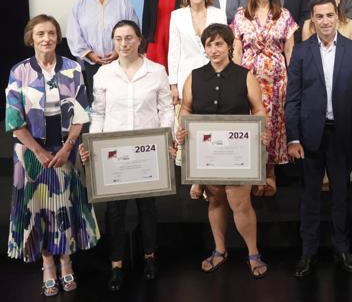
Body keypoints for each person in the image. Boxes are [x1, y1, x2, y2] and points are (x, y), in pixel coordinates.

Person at [6, 15, 99, 296]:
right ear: (31, 38)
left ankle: (66, 261)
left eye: (51, 33)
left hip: (64, 150)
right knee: (38, 210)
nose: (46, 38)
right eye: (40, 34)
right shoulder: (19, 71)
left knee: (64, 208)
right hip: (31, 155)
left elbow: (82, 113)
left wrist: (68, 147)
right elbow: (13, 119)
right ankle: (47, 264)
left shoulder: (73, 68)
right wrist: (39, 151)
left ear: (58, 37)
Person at [81, 20, 173, 291]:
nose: (124, 43)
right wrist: (93, 143)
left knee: (148, 208)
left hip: (148, 150)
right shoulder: (103, 74)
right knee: (116, 211)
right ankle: (116, 264)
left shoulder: (156, 71)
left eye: (129, 38)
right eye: (118, 38)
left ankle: (150, 257)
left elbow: (166, 109)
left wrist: (166, 139)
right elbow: (97, 113)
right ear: (113, 42)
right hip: (113, 153)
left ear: (139, 40)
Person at [174, 23, 270, 279]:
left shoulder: (244, 75)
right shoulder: (194, 76)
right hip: (207, 154)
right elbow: (186, 109)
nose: (214, 49)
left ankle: (253, 253)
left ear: (229, 46)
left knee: (240, 203)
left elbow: (258, 109)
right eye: (209, 44)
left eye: (219, 44)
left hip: (239, 153)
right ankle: (220, 250)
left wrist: (263, 129)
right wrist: (181, 128)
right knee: (215, 200)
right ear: (204, 48)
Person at [285, 0, 352, 277]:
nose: (324, 21)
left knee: (341, 197)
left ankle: (342, 249)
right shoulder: (300, 51)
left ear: (338, 16)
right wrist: (293, 138)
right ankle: (308, 253)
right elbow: (292, 99)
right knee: (309, 198)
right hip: (309, 138)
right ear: (312, 19)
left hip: (342, 135)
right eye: (318, 16)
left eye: (329, 15)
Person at [232, 0, 297, 196]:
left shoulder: (284, 14)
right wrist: (234, 76)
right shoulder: (242, 15)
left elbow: (289, 49)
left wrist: (293, 76)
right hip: (249, 77)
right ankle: (254, 172)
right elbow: (237, 48)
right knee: (252, 123)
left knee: (274, 123)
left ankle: (270, 173)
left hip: (277, 79)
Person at [67, 0, 139, 102]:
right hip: (91, 63)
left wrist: (117, 52)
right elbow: (73, 33)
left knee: (121, 100)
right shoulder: (80, 3)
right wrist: (90, 54)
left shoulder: (122, 1)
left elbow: (133, 27)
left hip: (121, 60)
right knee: (97, 103)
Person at [168, 0, 227, 106]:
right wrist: (173, 84)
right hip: (187, 77)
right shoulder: (177, 16)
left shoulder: (218, 14)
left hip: (216, 75)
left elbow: (224, 48)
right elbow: (174, 51)